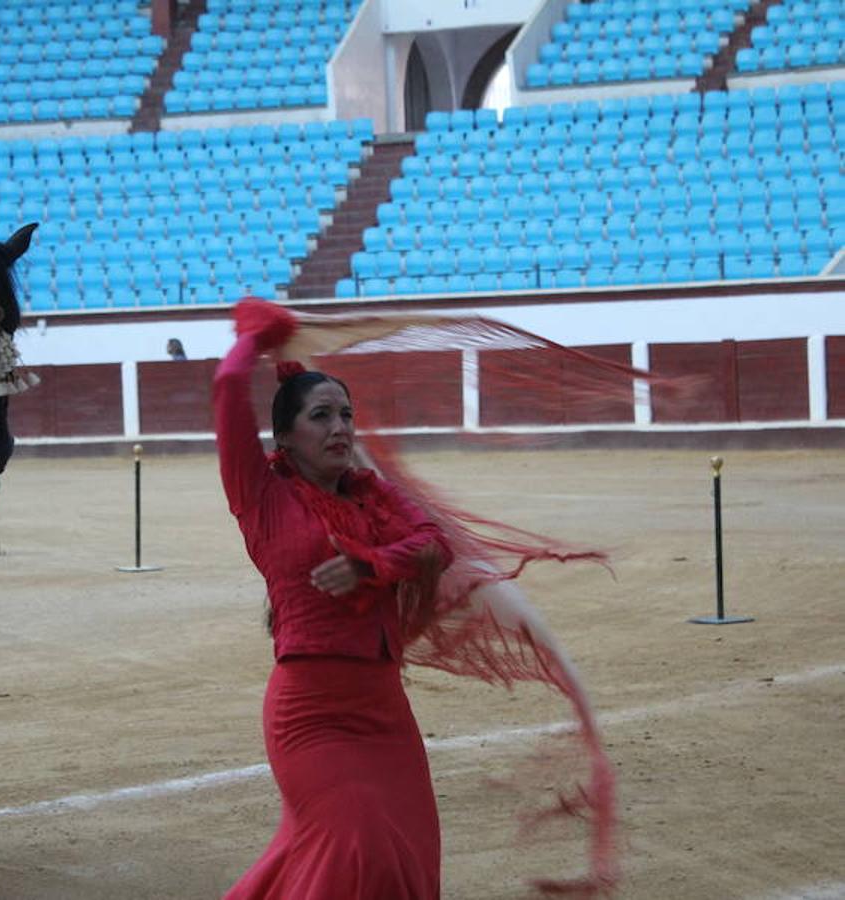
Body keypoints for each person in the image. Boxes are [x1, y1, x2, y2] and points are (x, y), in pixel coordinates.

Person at [215, 299, 620, 898]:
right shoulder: (261, 496)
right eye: (321, 416)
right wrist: (255, 332)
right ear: (285, 437)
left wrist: (371, 564)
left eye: (346, 415)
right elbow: (228, 384)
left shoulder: (372, 495)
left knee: (405, 850)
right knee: (356, 845)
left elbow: (435, 544)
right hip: (311, 714)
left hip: (384, 708)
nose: (340, 428)